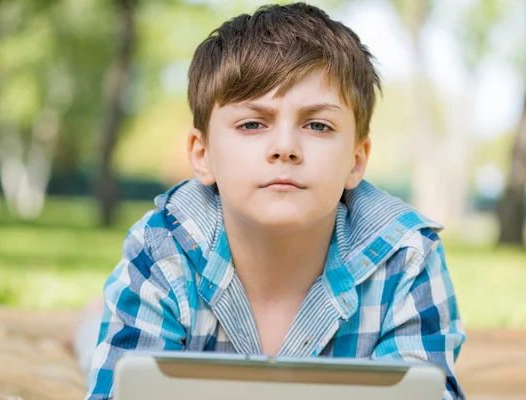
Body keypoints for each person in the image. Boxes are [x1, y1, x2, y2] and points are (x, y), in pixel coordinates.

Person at [83, 3, 466, 399]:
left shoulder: (407, 258)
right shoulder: (162, 250)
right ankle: (90, 323)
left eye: (318, 125)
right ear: (203, 155)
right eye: (252, 124)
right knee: (91, 343)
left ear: (356, 161)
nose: (285, 147)